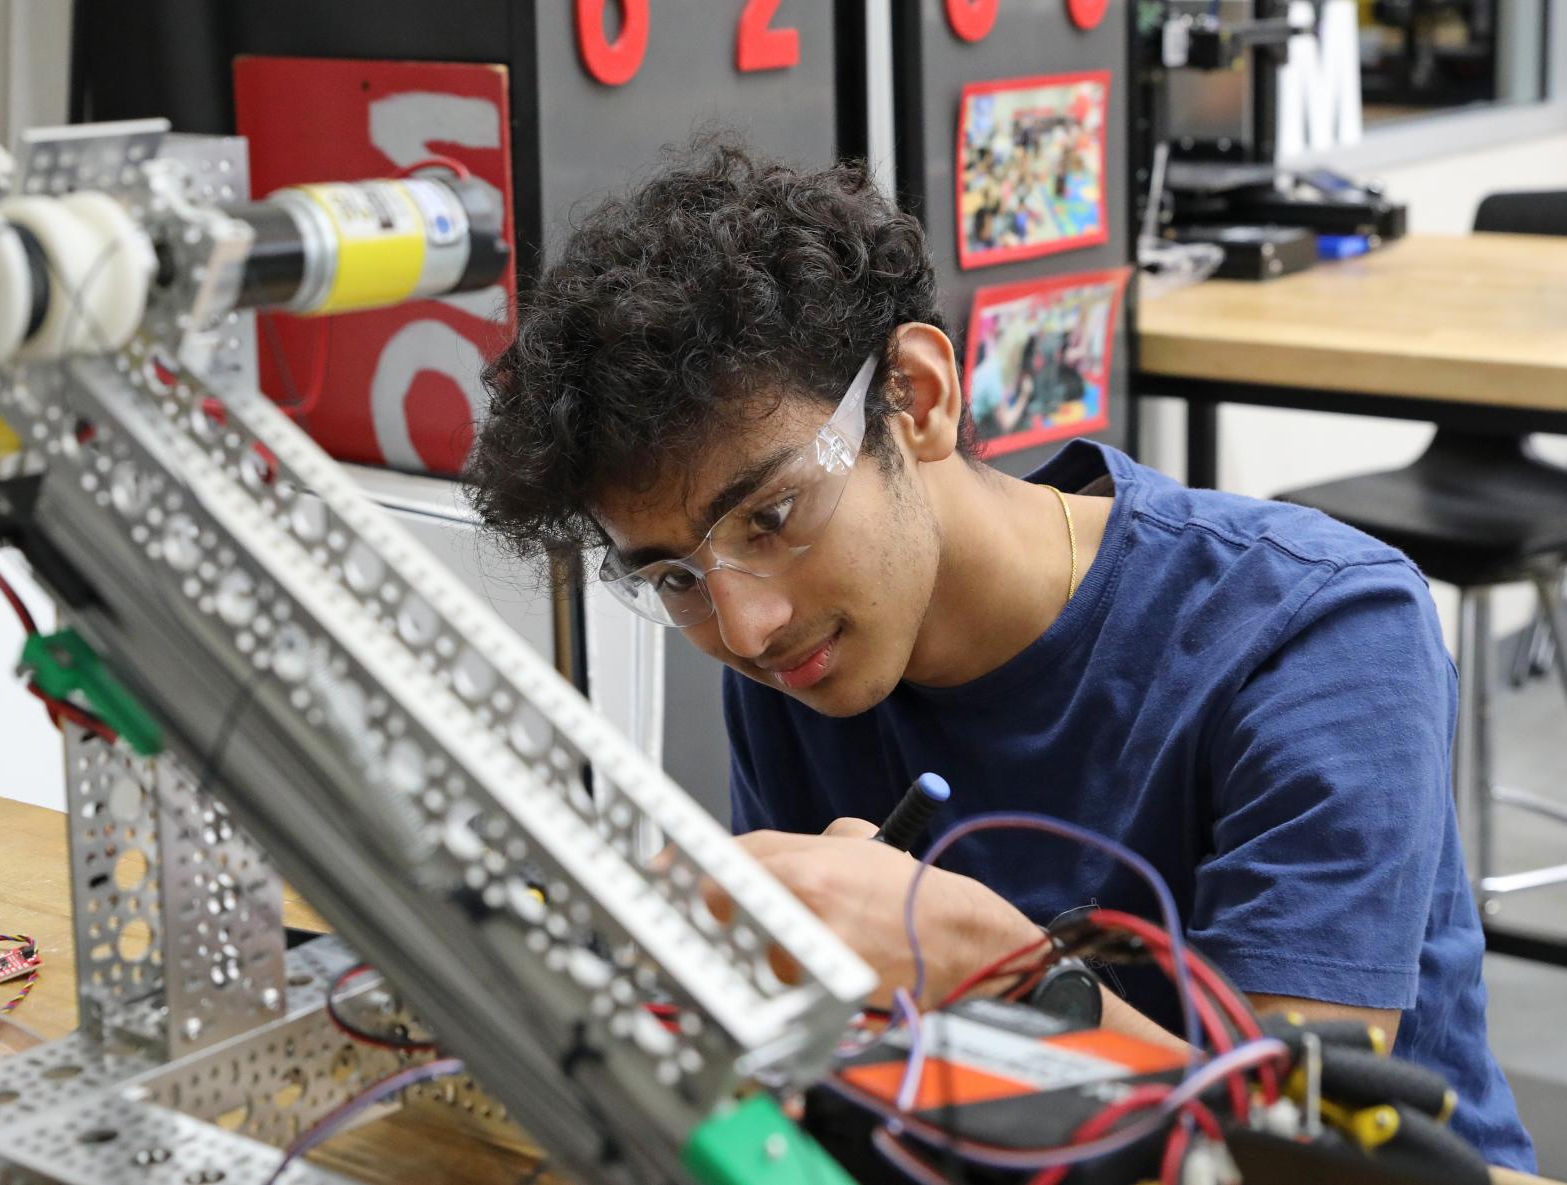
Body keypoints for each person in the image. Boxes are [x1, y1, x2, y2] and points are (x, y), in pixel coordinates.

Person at [463, 139, 1534, 1169]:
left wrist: (993, 962)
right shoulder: (804, 653)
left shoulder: (1315, 634)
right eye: (673, 579)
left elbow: (1290, 1155)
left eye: (775, 514)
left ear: (917, 399)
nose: (742, 627)